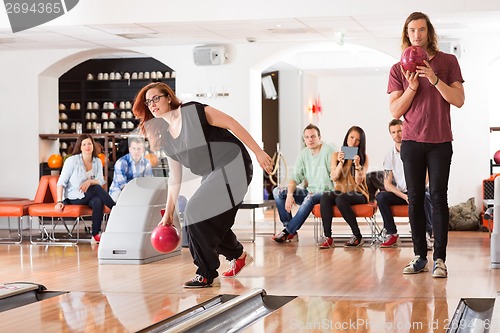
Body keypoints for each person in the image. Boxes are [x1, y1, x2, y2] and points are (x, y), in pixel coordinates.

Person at [133, 82, 273, 288]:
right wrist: (168, 214)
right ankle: (238, 255)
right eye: (148, 102)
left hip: (234, 164)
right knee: (206, 218)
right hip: (211, 174)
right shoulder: (166, 138)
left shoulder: (192, 112)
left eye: (156, 98)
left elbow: (232, 123)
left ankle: (206, 273)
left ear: (168, 97)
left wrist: (258, 152)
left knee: (194, 211)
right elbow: (175, 178)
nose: (152, 104)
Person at [387, 12, 465, 278]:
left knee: (438, 199)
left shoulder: (448, 61)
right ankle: (420, 256)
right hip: (411, 142)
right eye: (412, 31)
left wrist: (433, 78)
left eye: (421, 30)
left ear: (429, 32)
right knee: (415, 200)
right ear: (406, 34)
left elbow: (458, 99)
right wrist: (411, 88)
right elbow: (396, 110)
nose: (416, 35)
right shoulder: (399, 68)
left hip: (440, 142)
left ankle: (439, 260)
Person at [272, 124, 335, 243]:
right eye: (307, 137)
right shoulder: (304, 153)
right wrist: (290, 194)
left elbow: (337, 173)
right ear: (304, 140)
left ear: (319, 137)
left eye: (313, 136)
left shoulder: (329, 150)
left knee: (310, 196)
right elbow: (295, 177)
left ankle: (287, 231)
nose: (310, 139)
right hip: (310, 191)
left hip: (327, 193)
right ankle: (291, 231)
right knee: (278, 191)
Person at [376, 119, 433, 249]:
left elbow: (427, 175)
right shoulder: (389, 155)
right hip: (402, 193)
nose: (397, 134)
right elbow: (387, 184)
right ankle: (392, 233)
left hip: (418, 190)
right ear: (390, 134)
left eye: (400, 130)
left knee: (426, 196)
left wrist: (415, 192)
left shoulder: (417, 148)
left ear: (406, 130)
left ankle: (426, 234)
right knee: (381, 197)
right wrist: (404, 196)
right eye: (393, 132)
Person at [55, 134, 116, 243]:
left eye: (89, 144)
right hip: (73, 197)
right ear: (80, 147)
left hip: (88, 195)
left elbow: (100, 180)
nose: (87, 146)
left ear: (93, 145)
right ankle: (116, 210)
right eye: (84, 144)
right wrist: (59, 201)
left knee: (98, 201)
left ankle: (95, 234)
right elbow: (61, 183)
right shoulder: (72, 161)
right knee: (96, 189)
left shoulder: (97, 161)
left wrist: (90, 181)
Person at [319, 126, 369, 248]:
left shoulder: (363, 157)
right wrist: (341, 163)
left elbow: (358, 181)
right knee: (326, 197)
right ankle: (328, 237)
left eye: (357, 140)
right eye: (351, 137)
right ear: (346, 138)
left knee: (341, 199)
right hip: (340, 191)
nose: (353, 142)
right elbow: (334, 178)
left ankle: (357, 236)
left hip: (358, 193)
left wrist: (357, 165)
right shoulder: (335, 155)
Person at [108, 136, 153, 202]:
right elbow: (123, 186)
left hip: (139, 191)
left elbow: (149, 181)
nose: (136, 151)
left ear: (143, 150)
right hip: (119, 192)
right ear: (129, 149)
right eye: (134, 148)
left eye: (139, 149)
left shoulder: (146, 163)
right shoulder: (121, 162)